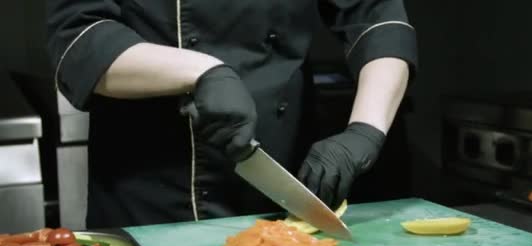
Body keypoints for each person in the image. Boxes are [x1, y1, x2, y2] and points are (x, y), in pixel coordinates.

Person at [46, 1, 418, 229]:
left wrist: (365, 130)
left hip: (283, 191)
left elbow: (378, 19)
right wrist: (203, 71)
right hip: (151, 201)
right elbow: (79, 39)